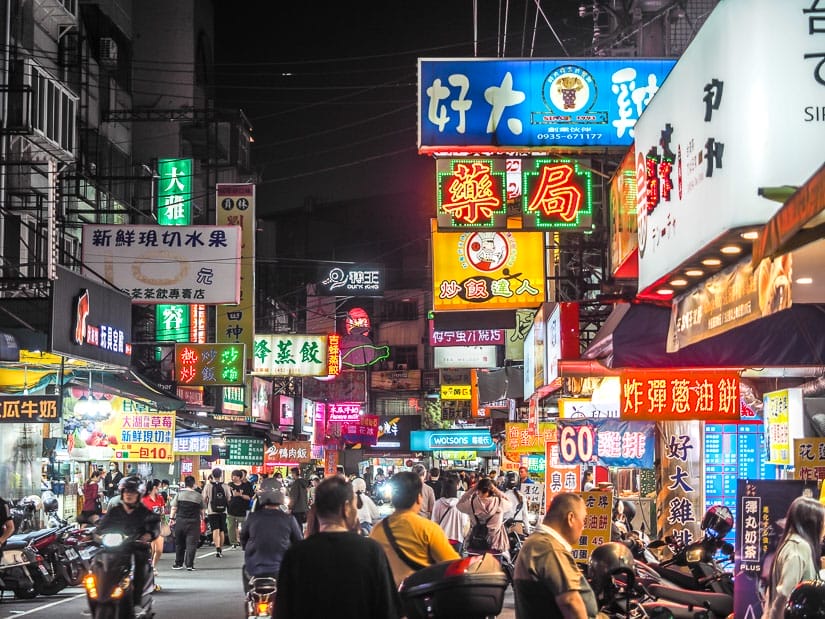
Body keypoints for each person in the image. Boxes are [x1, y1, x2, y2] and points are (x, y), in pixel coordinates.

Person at [275, 476, 402, 619]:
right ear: (346, 508)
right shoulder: (371, 551)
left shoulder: (295, 555)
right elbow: (388, 611)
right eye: (354, 506)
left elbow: (282, 611)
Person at [513, 492, 601, 619]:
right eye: (583, 520)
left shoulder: (539, 543)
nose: (583, 526)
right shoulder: (548, 548)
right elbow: (570, 602)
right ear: (571, 518)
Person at [370, 470, 459, 586]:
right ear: (419, 498)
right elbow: (453, 565)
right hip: (419, 598)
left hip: (388, 599)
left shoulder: (378, 529)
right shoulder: (429, 529)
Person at [96, 477, 160, 613]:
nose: (129, 494)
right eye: (126, 491)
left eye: (132, 492)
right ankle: (97, 598)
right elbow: (101, 527)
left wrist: (148, 535)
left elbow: (154, 527)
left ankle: (136, 602)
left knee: (139, 562)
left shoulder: (145, 513)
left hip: (135, 549)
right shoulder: (114, 511)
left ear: (139, 495)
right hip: (113, 550)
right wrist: (94, 535)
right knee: (97, 562)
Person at [763, 496, 825, 619]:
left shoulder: (790, 542)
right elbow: (784, 595)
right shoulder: (799, 548)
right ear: (812, 524)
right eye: (823, 522)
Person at [240, 490, 302, 592]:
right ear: (280, 502)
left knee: (247, 577)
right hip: (281, 568)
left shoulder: (252, 517)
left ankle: (249, 598)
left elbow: (243, 537)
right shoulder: (288, 519)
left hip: (254, 567)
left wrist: (246, 547)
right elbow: (298, 541)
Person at [457, 476, 512, 557]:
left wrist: (472, 489)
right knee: (495, 569)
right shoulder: (500, 503)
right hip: (495, 546)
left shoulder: (471, 504)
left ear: (478, 490)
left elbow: (459, 504)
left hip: (475, 545)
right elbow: (510, 502)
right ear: (490, 490)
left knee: (473, 569)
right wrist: (495, 489)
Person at [169, 475, 205, 571]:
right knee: (191, 544)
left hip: (180, 521)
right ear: (193, 484)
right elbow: (202, 510)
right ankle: (189, 565)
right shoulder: (198, 496)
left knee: (179, 543)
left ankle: (178, 563)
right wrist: (203, 519)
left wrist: (171, 518)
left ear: (185, 484)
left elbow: (174, 507)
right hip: (193, 523)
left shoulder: (179, 494)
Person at [431, 474, 468, 553]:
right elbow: (464, 523)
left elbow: (434, 522)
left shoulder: (437, 503)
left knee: (442, 564)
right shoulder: (460, 504)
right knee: (455, 564)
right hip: (457, 539)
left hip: (441, 539)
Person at [202, 467, 231, 558]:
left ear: (212, 475)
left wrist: (205, 508)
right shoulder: (225, 486)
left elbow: (204, 499)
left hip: (212, 511)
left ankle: (217, 548)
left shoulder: (208, 486)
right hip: (223, 511)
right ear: (221, 475)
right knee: (222, 530)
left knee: (215, 529)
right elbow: (229, 498)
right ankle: (221, 549)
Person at [141, 480, 166, 580]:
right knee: (150, 550)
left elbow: (163, 512)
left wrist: (165, 523)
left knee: (159, 550)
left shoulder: (160, 498)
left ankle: (153, 565)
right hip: (147, 527)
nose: (159, 489)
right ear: (154, 487)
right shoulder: (144, 499)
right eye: (158, 487)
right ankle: (150, 567)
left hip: (158, 525)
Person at [227, 469, 253, 549]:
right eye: (232, 476)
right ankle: (233, 542)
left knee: (243, 527)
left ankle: (243, 541)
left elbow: (249, 497)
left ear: (239, 477)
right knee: (231, 527)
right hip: (230, 509)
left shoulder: (245, 486)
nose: (233, 477)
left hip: (242, 510)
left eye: (235, 476)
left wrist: (240, 495)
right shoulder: (229, 485)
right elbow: (227, 496)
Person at [503, 471, 532, 535]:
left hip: (505, 528)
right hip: (518, 528)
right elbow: (525, 515)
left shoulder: (503, 496)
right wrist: (528, 530)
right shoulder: (522, 496)